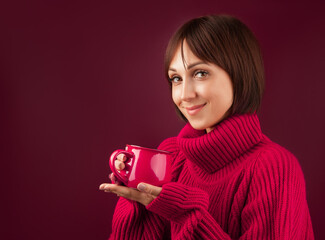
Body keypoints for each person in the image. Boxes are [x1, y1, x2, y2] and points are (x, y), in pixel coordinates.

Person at [99, 15, 314, 239]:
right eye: (176, 78)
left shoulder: (274, 168)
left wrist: (186, 214)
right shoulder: (171, 155)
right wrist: (138, 201)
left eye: (200, 73)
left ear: (239, 75)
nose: (184, 95)